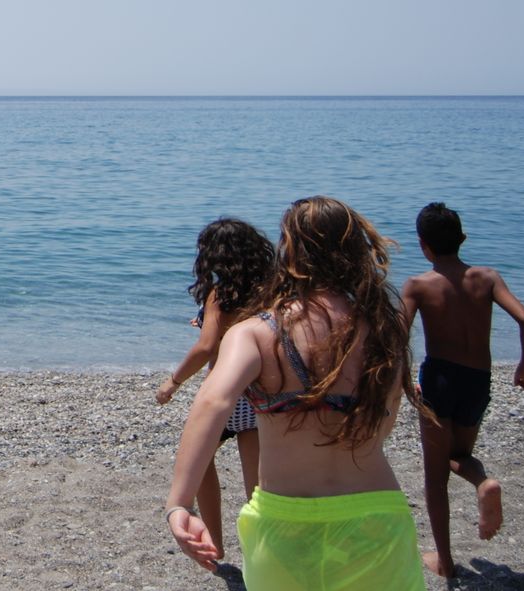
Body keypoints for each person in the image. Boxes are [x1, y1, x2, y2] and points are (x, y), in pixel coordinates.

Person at [164, 196, 426, 590]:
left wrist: (179, 503)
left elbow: (213, 402)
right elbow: (384, 420)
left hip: (284, 523)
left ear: (291, 252)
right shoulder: (386, 329)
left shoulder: (257, 332)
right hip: (377, 514)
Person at [402, 201, 524, 578]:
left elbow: (396, 338)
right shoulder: (488, 277)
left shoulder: (418, 285)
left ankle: (445, 561)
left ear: (422, 244)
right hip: (477, 378)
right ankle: (483, 480)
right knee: (459, 454)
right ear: (462, 239)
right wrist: (523, 368)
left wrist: (402, 384)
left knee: (435, 475)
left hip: (439, 379)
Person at [156, 218, 275, 558]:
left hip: (224, 393)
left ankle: (217, 545)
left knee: (202, 463)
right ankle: (260, 552)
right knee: (257, 485)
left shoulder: (219, 294)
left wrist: (173, 382)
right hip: (257, 393)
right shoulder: (271, 290)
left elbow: (207, 346)